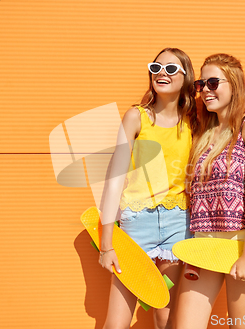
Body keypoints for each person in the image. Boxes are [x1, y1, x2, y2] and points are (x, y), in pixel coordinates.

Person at [98, 48, 196, 329]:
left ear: (186, 77)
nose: (161, 73)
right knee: (116, 323)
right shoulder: (136, 117)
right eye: (156, 67)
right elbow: (114, 178)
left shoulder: (195, 121)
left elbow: (230, 120)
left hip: (179, 226)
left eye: (171, 68)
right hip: (137, 227)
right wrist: (107, 243)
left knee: (166, 317)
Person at [174, 53, 245, 329]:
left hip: (242, 239)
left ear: (235, 84)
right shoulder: (204, 132)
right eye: (200, 84)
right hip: (205, 241)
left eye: (213, 82)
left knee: (241, 326)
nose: (205, 90)